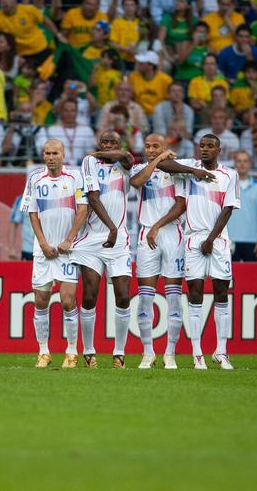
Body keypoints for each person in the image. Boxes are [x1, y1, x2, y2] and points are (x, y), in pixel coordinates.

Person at [129, 134, 214, 369]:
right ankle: (148, 352)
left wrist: (157, 226)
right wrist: (158, 160)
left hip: (171, 234)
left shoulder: (177, 170)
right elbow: (136, 183)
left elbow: (181, 204)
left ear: (166, 147)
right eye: (147, 146)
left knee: (173, 296)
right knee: (145, 296)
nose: (150, 149)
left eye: (156, 146)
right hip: (147, 235)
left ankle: (170, 353)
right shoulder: (139, 168)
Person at [165, 134, 240, 369]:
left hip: (217, 241)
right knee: (195, 293)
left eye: (210, 146)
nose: (205, 150)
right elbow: (163, 164)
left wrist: (211, 239)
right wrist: (194, 172)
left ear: (219, 150)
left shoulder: (230, 175)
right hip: (193, 239)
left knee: (221, 293)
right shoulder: (190, 168)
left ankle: (221, 351)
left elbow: (228, 210)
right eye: (202, 146)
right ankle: (197, 353)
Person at [71, 130, 134, 369]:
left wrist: (115, 231)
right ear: (98, 143)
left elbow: (128, 158)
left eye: (113, 143)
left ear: (120, 145)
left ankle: (119, 353)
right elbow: (93, 198)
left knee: (124, 296)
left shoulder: (125, 165)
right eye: (104, 142)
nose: (108, 146)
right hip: (93, 239)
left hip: (119, 241)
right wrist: (111, 227)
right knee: (89, 294)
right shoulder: (89, 162)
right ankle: (89, 352)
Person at [22, 139, 88, 368]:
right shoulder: (34, 179)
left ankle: (71, 351)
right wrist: (42, 243)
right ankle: (43, 351)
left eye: (55, 153)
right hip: (43, 250)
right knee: (40, 300)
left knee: (68, 299)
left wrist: (68, 239)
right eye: (47, 153)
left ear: (63, 154)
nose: (51, 157)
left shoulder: (75, 177)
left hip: (67, 250)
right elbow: (32, 213)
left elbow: (83, 209)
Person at [227, 150, 257, 262]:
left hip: (253, 241)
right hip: (230, 239)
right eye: (239, 161)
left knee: (252, 277)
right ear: (234, 164)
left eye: (245, 161)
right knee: (229, 278)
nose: (242, 164)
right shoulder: (227, 186)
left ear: (250, 164)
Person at [35, 100, 96, 165]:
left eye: (72, 110)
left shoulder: (87, 130)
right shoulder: (52, 130)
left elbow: (91, 152)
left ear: (77, 112)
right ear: (61, 112)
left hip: (81, 167)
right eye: (66, 110)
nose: (69, 113)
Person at [128, 51, 173, 117]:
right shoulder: (133, 77)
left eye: (141, 63)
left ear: (151, 66)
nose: (137, 65)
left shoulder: (165, 80)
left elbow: (169, 101)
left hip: (159, 115)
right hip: (139, 114)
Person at [9, 193, 34, 260]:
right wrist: (11, 248)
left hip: (47, 249)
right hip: (28, 249)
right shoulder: (22, 200)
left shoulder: (51, 198)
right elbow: (13, 224)